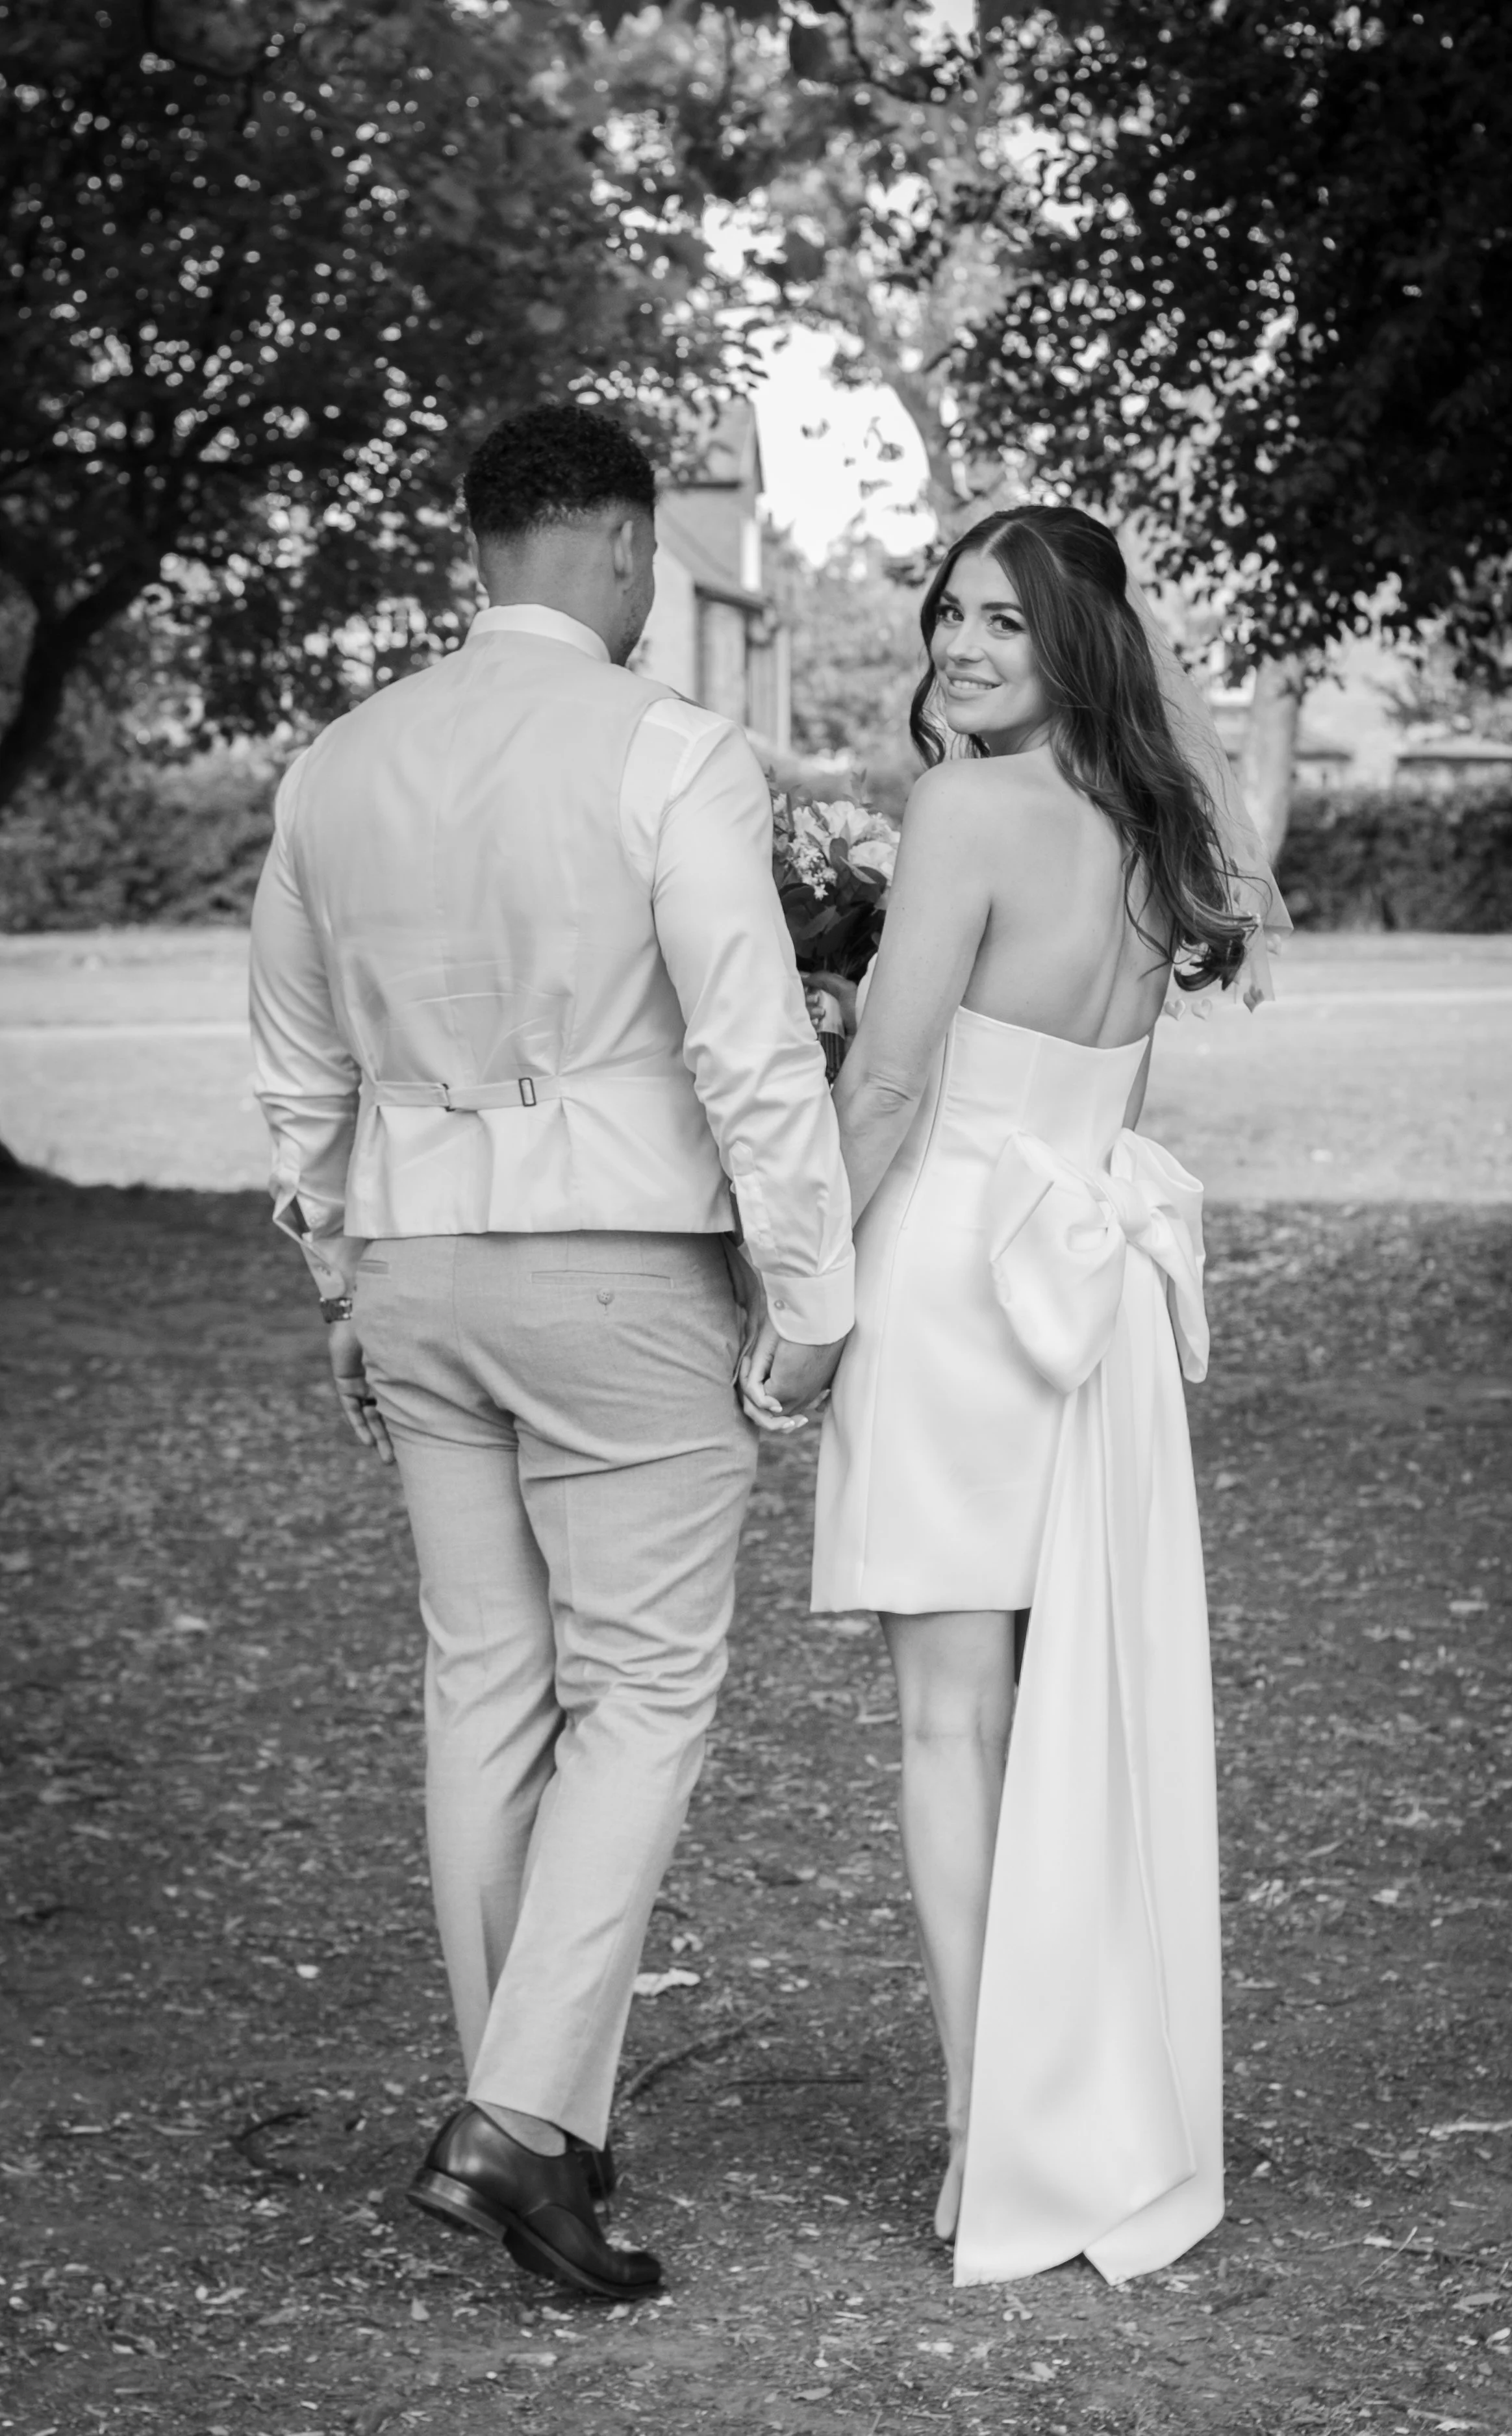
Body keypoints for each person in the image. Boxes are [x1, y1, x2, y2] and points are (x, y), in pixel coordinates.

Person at [249, 402, 852, 2300]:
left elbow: (292, 1067)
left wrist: (345, 1276)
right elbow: (750, 1047)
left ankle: (541, 2133)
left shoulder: (334, 768)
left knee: (484, 1690)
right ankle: (514, 2123)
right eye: (647, 555)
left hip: (420, 1261)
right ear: (612, 544)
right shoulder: (670, 750)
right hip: (614, 1270)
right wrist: (811, 1296)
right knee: (647, 1693)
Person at [744, 504, 1286, 2288]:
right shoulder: (1159, 825)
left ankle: (993, 2127)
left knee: (950, 1727)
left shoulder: (967, 809)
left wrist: (803, 1306)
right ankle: (1088, 2103)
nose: (959, 647)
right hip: (1094, 1288)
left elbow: (889, 1086)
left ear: (1074, 642)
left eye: (999, 621)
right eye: (946, 616)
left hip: (966, 1273)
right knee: (1082, 1721)